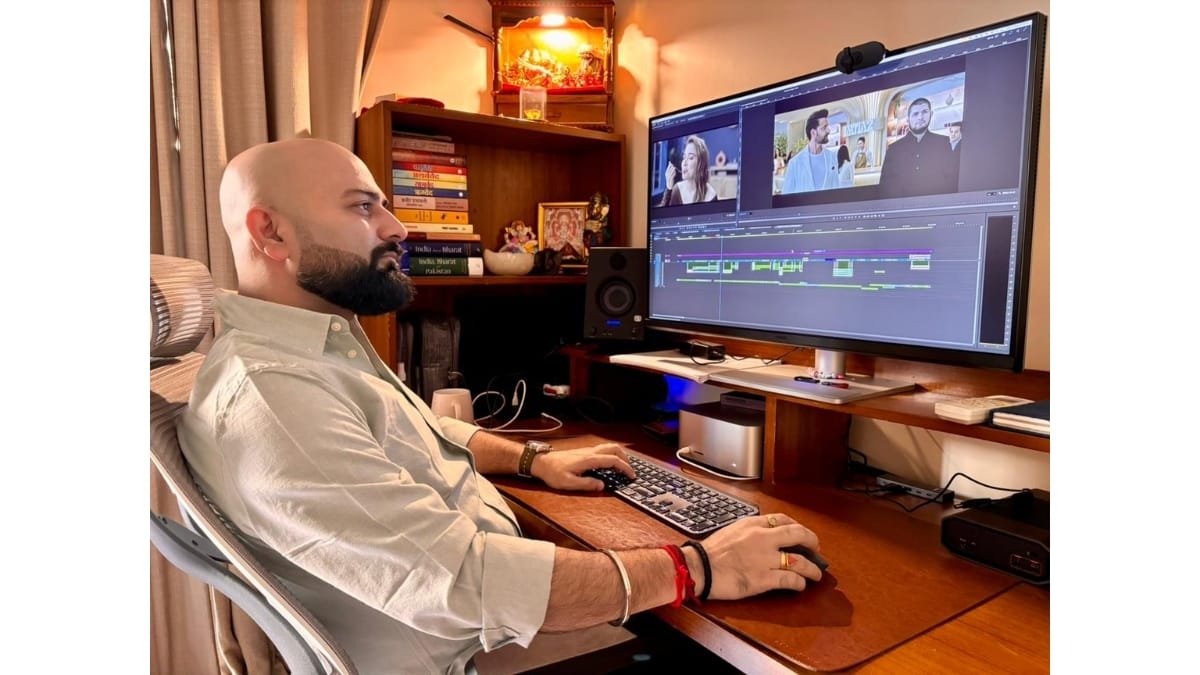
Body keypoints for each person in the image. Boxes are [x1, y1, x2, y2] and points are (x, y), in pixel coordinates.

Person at [177, 138, 824, 675]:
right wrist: (698, 565)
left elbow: (421, 430)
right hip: (475, 649)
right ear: (271, 232)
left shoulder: (312, 349)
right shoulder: (274, 395)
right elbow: (467, 585)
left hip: (484, 627)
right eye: (363, 206)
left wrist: (533, 459)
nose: (396, 228)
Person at [877, 97, 958, 197]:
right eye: (915, 114)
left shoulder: (943, 143)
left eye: (924, 112)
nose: (920, 117)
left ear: (931, 114)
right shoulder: (894, 149)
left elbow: (952, 182)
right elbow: (884, 187)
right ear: (908, 119)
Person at [782, 109, 839, 193]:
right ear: (813, 133)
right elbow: (786, 194)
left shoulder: (832, 157)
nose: (828, 131)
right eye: (824, 128)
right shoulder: (795, 163)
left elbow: (836, 189)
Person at [660, 135, 718, 205]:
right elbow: (664, 211)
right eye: (684, 157)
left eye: (690, 157)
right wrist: (669, 189)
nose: (684, 163)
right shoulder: (677, 189)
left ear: (701, 164)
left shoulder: (711, 195)